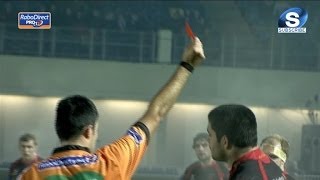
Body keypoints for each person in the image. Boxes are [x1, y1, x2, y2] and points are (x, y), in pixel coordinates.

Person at [18, 37, 205, 180]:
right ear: (89, 131)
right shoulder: (112, 161)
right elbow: (157, 113)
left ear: (59, 130)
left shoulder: (31, 174)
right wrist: (187, 65)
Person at [207, 104, 285, 179]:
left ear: (225, 142)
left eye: (210, 135)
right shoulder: (271, 168)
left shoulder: (245, 176)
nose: (208, 140)